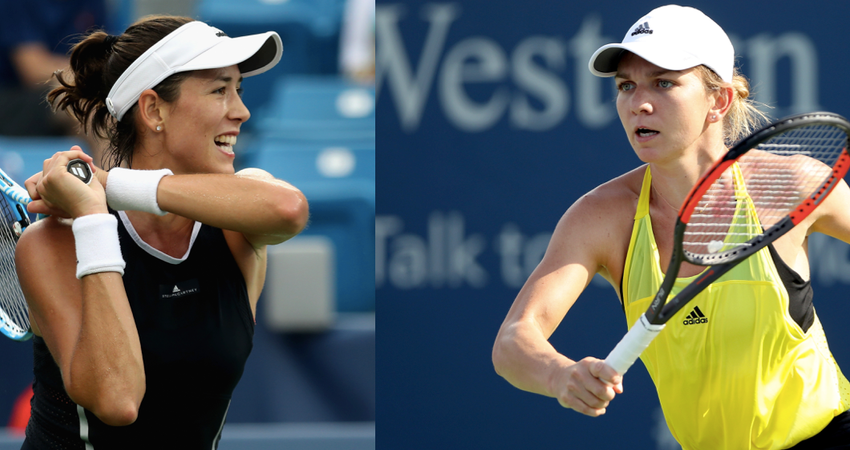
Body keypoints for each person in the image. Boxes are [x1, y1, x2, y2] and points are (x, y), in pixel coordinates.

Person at [492, 5, 850, 449]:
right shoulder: (602, 216)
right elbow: (513, 341)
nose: (639, 102)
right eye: (626, 86)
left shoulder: (787, 184)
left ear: (718, 100)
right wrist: (559, 374)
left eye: (664, 82)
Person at [14, 15, 309, 449]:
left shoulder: (237, 222)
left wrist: (109, 185)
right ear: (154, 110)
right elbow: (117, 401)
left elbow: (290, 208)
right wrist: (95, 216)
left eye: (238, 90)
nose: (241, 111)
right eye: (219, 90)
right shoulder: (52, 242)